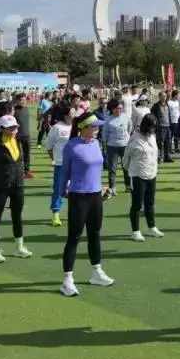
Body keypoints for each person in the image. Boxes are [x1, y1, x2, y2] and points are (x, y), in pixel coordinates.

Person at [58, 112, 115, 297]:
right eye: (95, 126)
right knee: (74, 237)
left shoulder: (97, 144)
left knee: (95, 234)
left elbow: (96, 170)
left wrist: (102, 189)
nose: (97, 129)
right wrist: (62, 192)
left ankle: (96, 272)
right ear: (83, 128)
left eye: (98, 126)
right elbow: (64, 173)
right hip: (78, 197)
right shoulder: (71, 146)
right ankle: (67, 280)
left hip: (95, 196)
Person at [0, 115, 31, 262]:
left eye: (15, 127)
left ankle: (19, 247)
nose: (14, 130)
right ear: (2, 128)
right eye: (10, 128)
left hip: (18, 184)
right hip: (2, 186)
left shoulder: (17, 140)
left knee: (17, 216)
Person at [124, 114, 162, 242]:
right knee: (136, 204)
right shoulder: (134, 139)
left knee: (150, 202)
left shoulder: (153, 137)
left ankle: (152, 227)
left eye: (154, 127)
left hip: (152, 174)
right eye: (150, 127)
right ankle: (135, 231)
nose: (152, 130)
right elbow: (126, 159)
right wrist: (132, 171)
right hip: (137, 175)